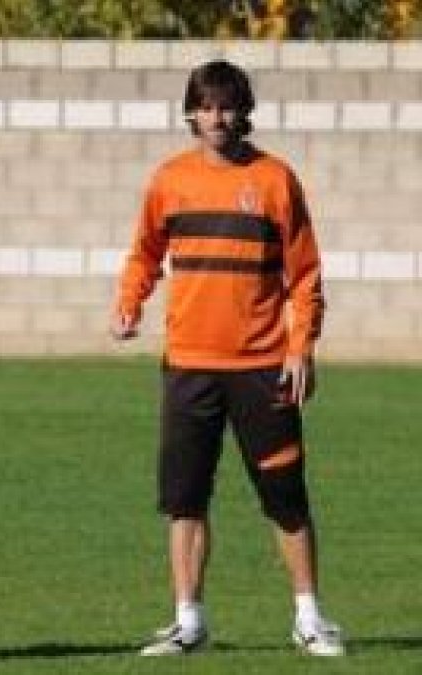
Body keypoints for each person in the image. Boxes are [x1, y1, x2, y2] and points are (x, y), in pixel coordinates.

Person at [110, 60, 342, 657]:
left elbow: (305, 274)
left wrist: (301, 346)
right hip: (189, 366)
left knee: (285, 496)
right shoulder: (169, 181)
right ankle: (188, 621)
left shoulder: (275, 180)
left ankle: (309, 618)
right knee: (185, 497)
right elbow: (143, 254)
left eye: (228, 106)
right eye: (207, 106)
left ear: (245, 112)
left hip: (263, 367)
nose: (218, 117)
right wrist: (128, 304)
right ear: (191, 112)